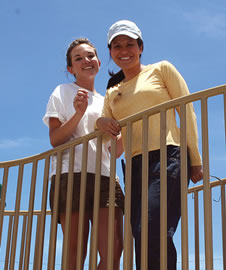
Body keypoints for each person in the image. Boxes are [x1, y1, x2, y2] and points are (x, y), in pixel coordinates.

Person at [96, 20, 203, 270]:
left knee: (152, 228)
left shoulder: (161, 69)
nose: (124, 50)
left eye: (130, 44)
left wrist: (195, 159)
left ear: (141, 47)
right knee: (141, 234)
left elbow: (186, 111)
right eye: (117, 46)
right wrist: (100, 122)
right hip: (134, 166)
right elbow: (105, 137)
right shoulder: (113, 91)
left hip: (168, 156)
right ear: (110, 52)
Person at [43, 38, 124, 270]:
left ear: (99, 62)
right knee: (76, 251)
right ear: (71, 69)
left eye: (90, 56)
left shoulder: (108, 100)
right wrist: (78, 114)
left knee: (114, 251)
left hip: (106, 176)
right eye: (78, 58)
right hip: (71, 175)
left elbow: (115, 151)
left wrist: (124, 132)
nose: (86, 61)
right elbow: (55, 140)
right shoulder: (62, 91)